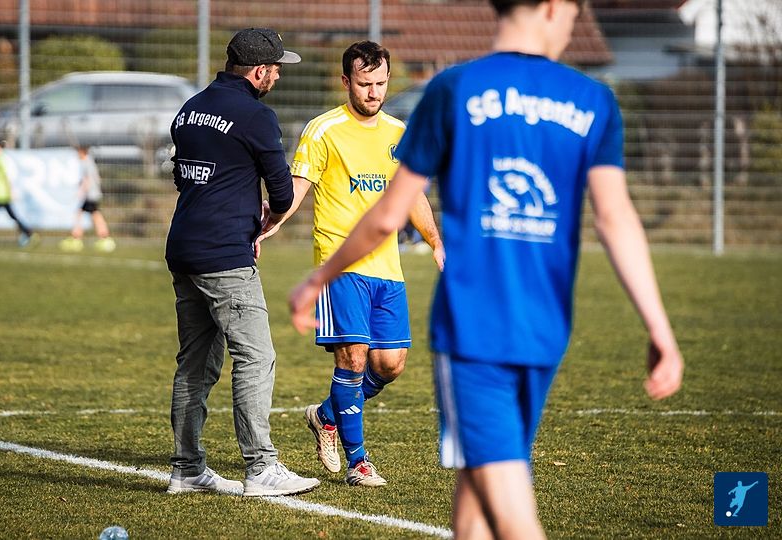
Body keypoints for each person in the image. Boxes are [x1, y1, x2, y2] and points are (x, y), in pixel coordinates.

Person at [288, 1, 684, 537]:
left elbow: (389, 212)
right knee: (497, 496)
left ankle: (330, 416)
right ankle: (351, 446)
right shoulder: (594, 100)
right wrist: (659, 327)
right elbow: (615, 219)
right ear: (553, 8)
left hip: (473, 324)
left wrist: (316, 279)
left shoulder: (453, 90)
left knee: (479, 497)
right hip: (543, 324)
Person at [258, 41, 444, 487]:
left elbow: (412, 195)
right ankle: (359, 463)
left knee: (390, 364)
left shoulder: (399, 133)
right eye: (364, 84)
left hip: (387, 267)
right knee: (354, 357)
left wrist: (436, 242)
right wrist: (271, 223)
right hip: (339, 263)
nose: (374, 92)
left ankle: (326, 415)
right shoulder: (324, 130)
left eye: (380, 83)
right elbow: (299, 185)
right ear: (346, 82)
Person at [164, 27, 320, 497]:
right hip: (225, 255)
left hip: (184, 247)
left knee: (195, 364)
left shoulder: (190, 108)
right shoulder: (256, 116)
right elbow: (283, 192)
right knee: (256, 357)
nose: (278, 76)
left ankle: (187, 469)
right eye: (275, 69)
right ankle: (261, 467)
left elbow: (185, 177)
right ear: (258, 71)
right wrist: (264, 217)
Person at [59, 145, 115, 253]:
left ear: (82, 152)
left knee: (84, 214)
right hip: (93, 194)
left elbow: (87, 179)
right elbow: (97, 178)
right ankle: (102, 237)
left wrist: (81, 192)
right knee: (94, 214)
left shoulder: (85, 163)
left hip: (89, 195)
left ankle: (77, 238)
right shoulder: (91, 162)